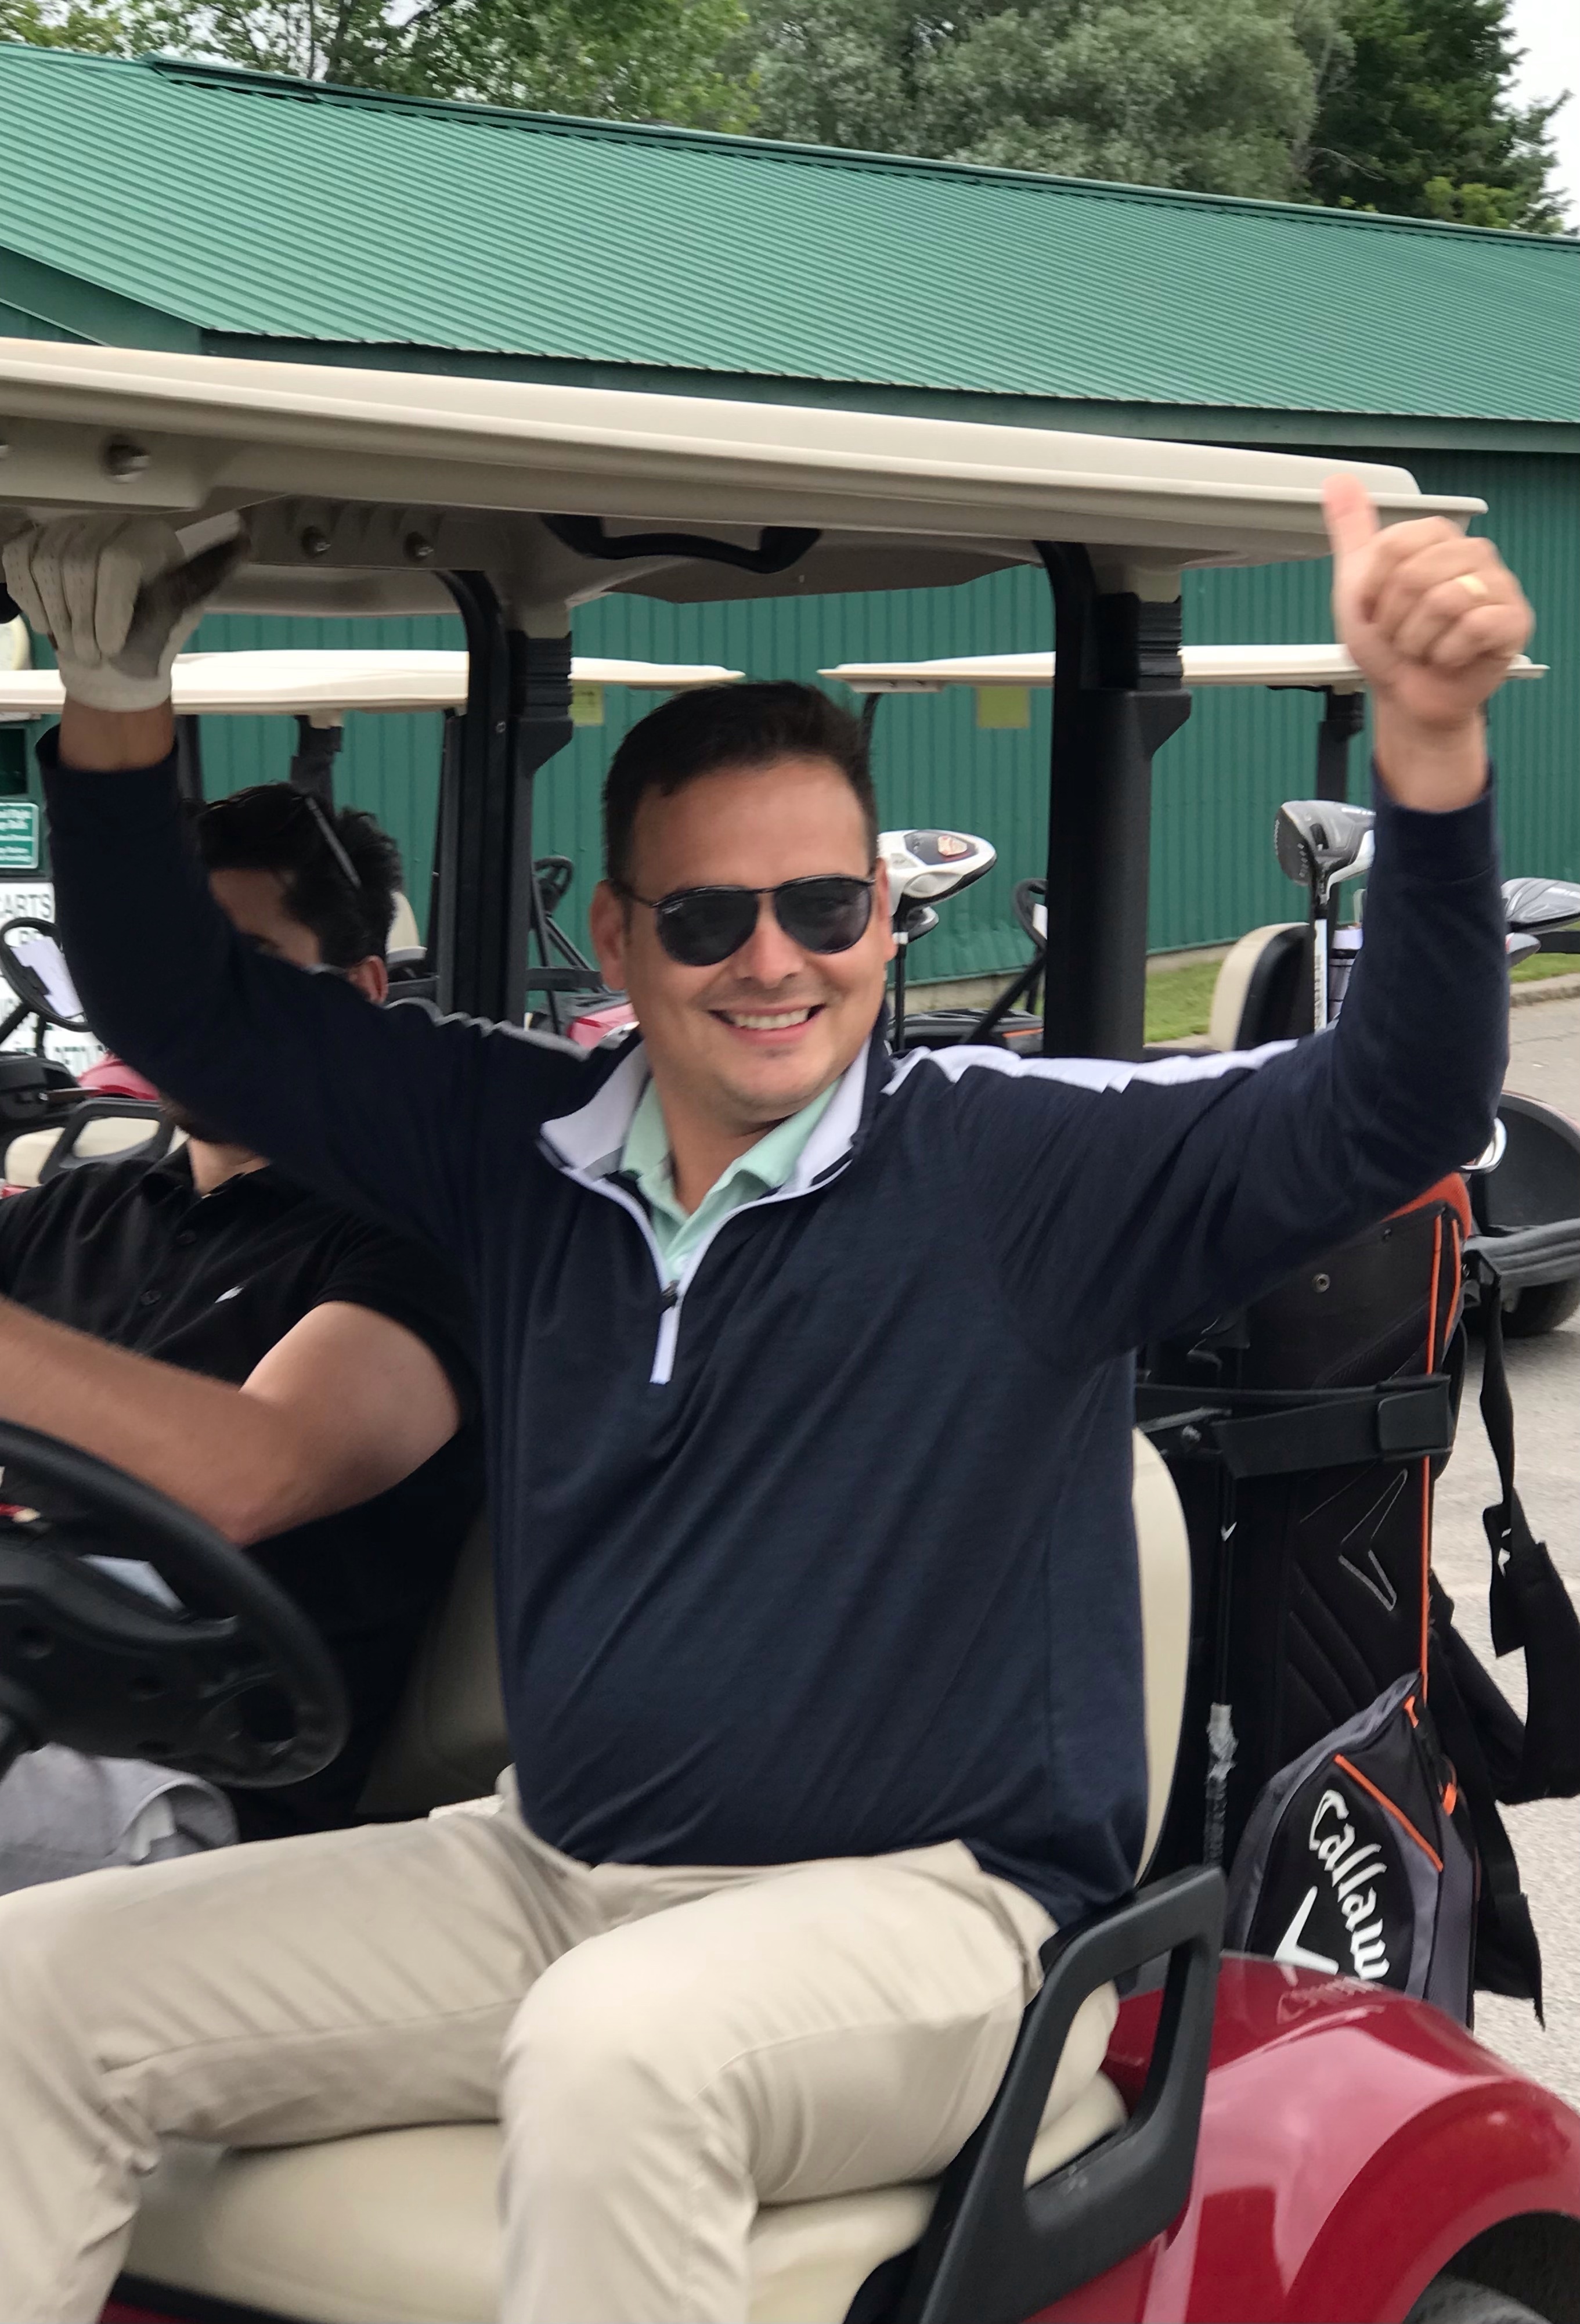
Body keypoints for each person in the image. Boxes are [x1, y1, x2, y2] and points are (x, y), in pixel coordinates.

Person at [0, 490, 1528, 2324]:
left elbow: (1400, 1101)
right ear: (621, 938)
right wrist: (114, 706)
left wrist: (1429, 753)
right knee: (39, 1986)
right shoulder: (515, 1147)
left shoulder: (1021, 1166)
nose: (772, 958)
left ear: (880, 919)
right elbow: (190, 1008)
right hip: (551, 1863)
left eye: (822, 905)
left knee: (617, 2048)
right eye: (709, 915)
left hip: (927, 1910)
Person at [0, 779, 482, 1879]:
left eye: (247, 968)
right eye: (166, 968)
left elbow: (255, 1472)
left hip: (194, 1764)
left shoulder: (417, 1243)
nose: (191, 1007)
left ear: (356, 991)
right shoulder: (77, 1211)